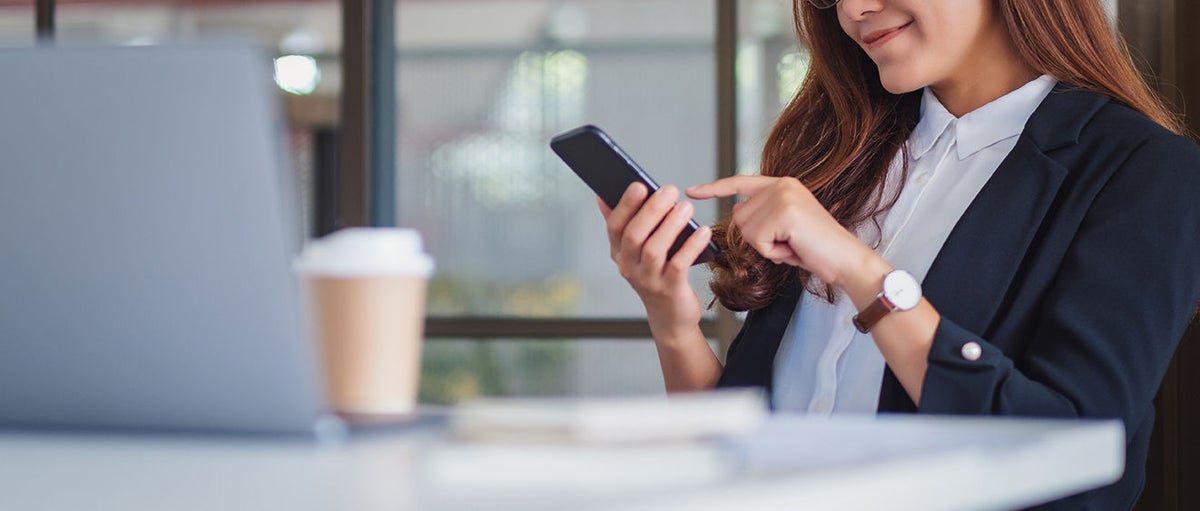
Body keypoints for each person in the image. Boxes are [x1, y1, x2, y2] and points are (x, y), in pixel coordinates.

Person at [597, 0, 1200, 508]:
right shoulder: (839, 157)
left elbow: (1078, 456)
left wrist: (861, 272)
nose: (853, 11)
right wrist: (670, 317)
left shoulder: (1145, 173)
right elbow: (747, 448)